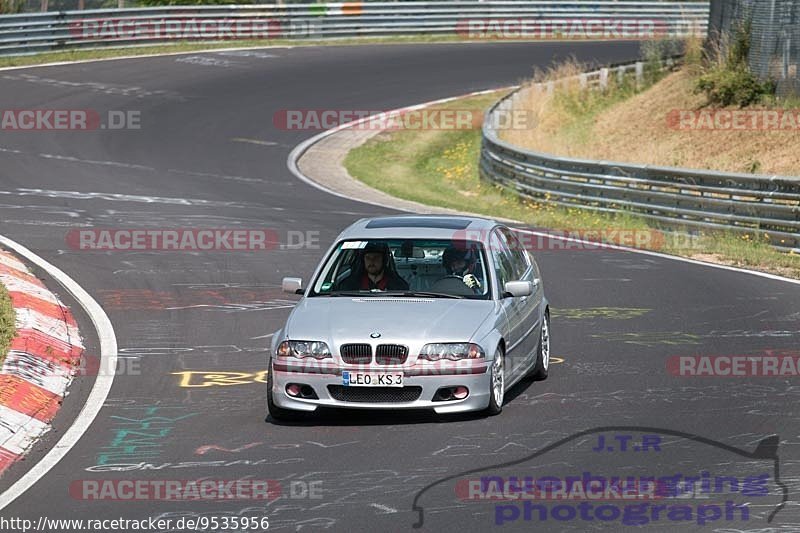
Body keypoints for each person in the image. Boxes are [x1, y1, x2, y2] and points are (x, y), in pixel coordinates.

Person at [336, 242, 409, 291]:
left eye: (376, 257)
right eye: (368, 258)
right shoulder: (349, 285)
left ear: (384, 260)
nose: (371, 261)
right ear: (363, 260)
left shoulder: (399, 286)